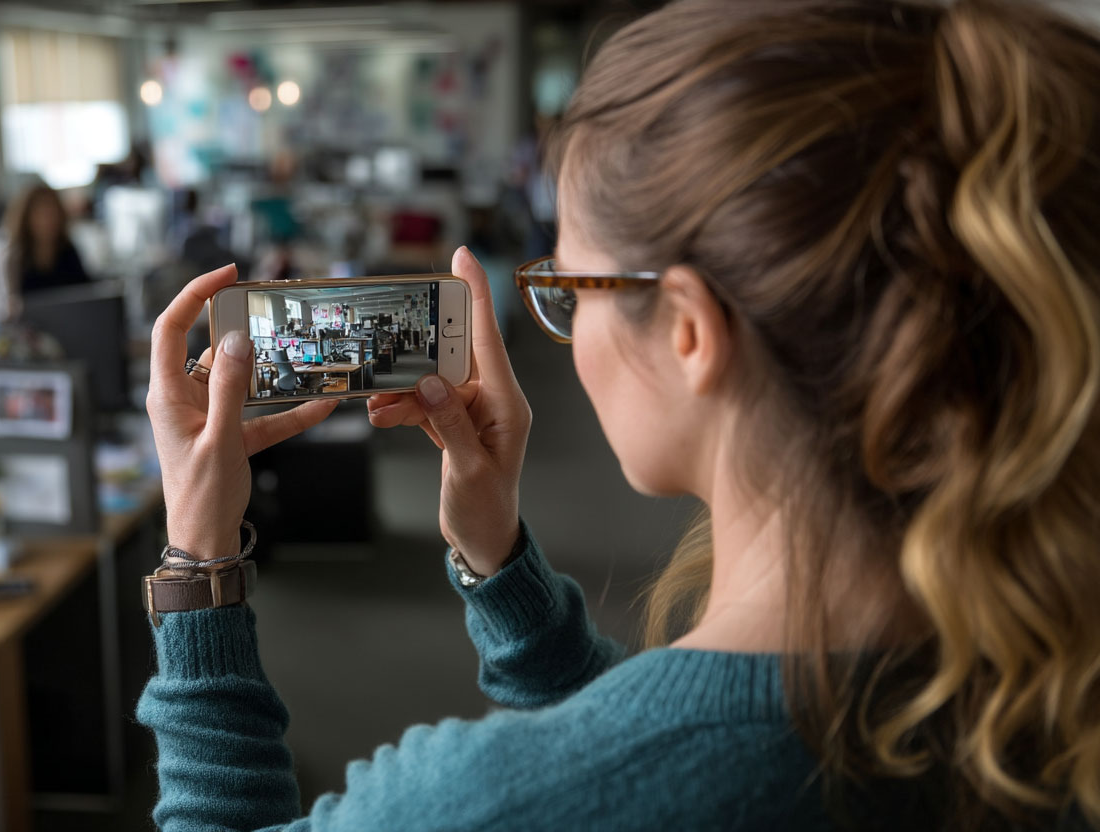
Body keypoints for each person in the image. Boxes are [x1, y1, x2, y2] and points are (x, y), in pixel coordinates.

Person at [138, 1, 1100, 830]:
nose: (564, 325)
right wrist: (498, 562)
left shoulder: (474, 803)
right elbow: (671, 756)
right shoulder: (1043, 692)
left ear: (687, 328)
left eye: (570, 286)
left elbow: (636, 770)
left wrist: (196, 562)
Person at [3, 183, 91, 299]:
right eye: (41, 214)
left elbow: (86, 292)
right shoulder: (16, 259)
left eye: (52, 212)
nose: (48, 220)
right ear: (26, 218)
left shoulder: (69, 252)